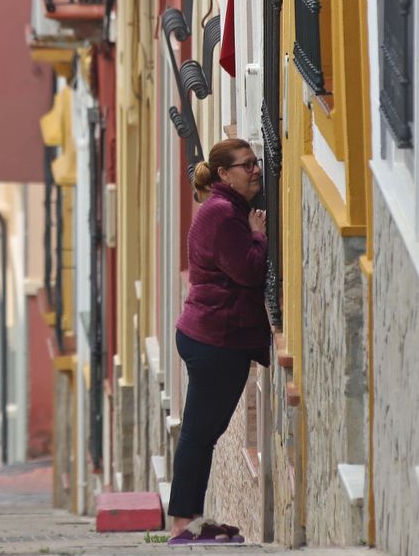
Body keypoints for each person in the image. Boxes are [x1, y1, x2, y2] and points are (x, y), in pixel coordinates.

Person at [166, 139, 270, 545]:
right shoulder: (224, 214)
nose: (256, 170)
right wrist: (258, 236)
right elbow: (248, 271)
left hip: (212, 335)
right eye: (247, 165)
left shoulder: (224, 209)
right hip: (215, 337)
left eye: (255, 162)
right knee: (199, 432)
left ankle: (191, 519)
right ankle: (182, 524)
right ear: (224, 173)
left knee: (203, 431)